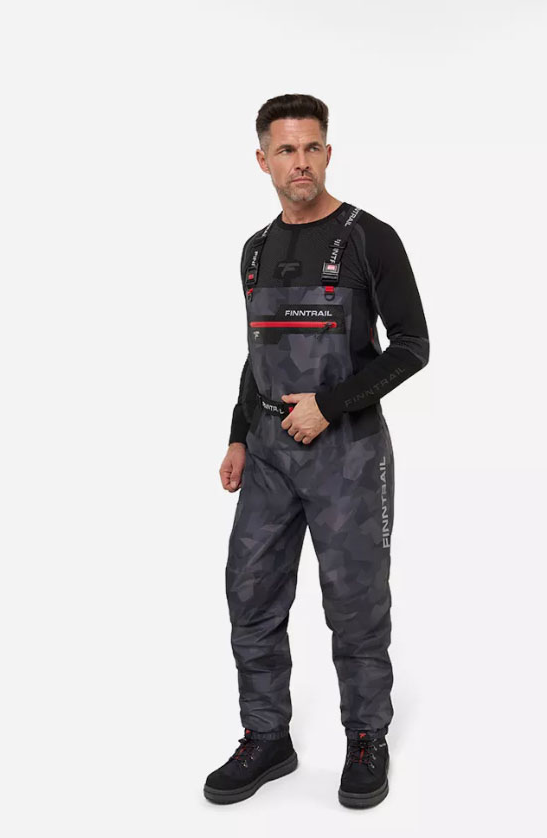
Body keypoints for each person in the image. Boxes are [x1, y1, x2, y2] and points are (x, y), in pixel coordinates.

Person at [203, 94, 430, 809]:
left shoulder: (369, 239)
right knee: (250, 595)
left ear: (327, 153)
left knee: (356, 606)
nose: (299, 163)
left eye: (311, 148)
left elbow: (413, 347)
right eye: (286, 150)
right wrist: (238, 434)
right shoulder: (255, 250)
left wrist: (330, 405)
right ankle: (267, 736)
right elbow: (257, 352)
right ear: (262, 160)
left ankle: (366, 737)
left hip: (349, 456)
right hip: (269, 455)